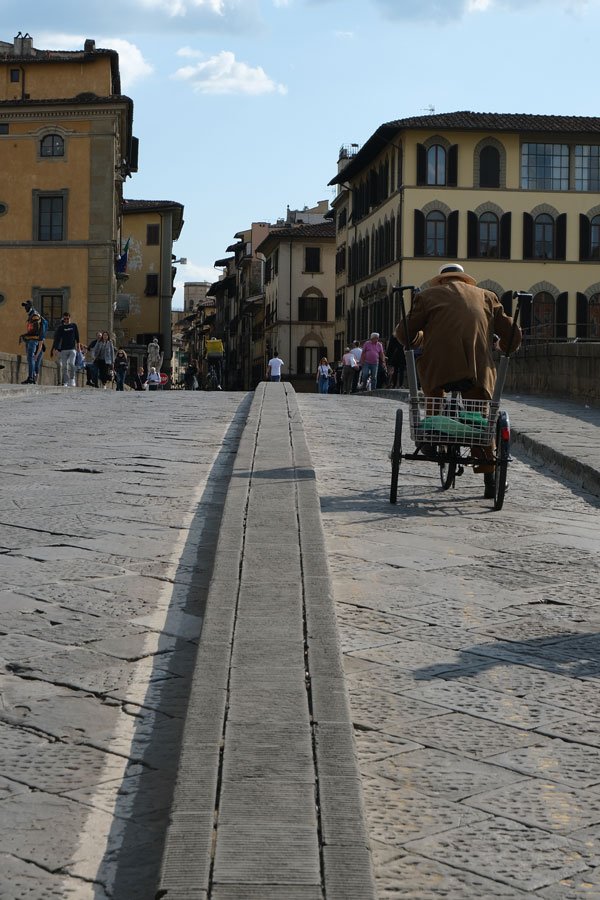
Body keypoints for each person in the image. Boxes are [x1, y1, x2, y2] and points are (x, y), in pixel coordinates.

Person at [395, 263, 522, 498]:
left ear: (441, 280)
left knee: (433, 385)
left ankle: (432, 434)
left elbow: (404, 335)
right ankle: (488, 474)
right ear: (464, 280)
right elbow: (512, 335)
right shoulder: (487, 296)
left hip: (439, 367)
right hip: (477, 368)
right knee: (479, 415)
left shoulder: (427, 296)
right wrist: (501, 346)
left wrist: (418, 339)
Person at [19, 300, 46, 384]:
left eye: (26, 306)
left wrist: (26, 335)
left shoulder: (34, 315)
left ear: (30, 306)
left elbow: (34, 330)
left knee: (31, 358)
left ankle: (31, 378)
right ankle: (32, 377)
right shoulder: (31, 315)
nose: (25, 308)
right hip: (31, 339)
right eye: (24, 306)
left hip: (33, 340)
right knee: (30, 358)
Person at [51, 311, 81, 387]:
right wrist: (55, 348)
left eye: (67, 319)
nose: (66, 320)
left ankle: (72, 379)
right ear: (63, 319)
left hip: (72, 349)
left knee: (71, 363)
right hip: (64, 349)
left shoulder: (74, 326)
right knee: (64, 366)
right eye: (65, 319)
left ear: (70, 318)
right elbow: (57, 339)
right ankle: (65, 381)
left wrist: (78, 346)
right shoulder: (61, 328)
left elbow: (77, 337)